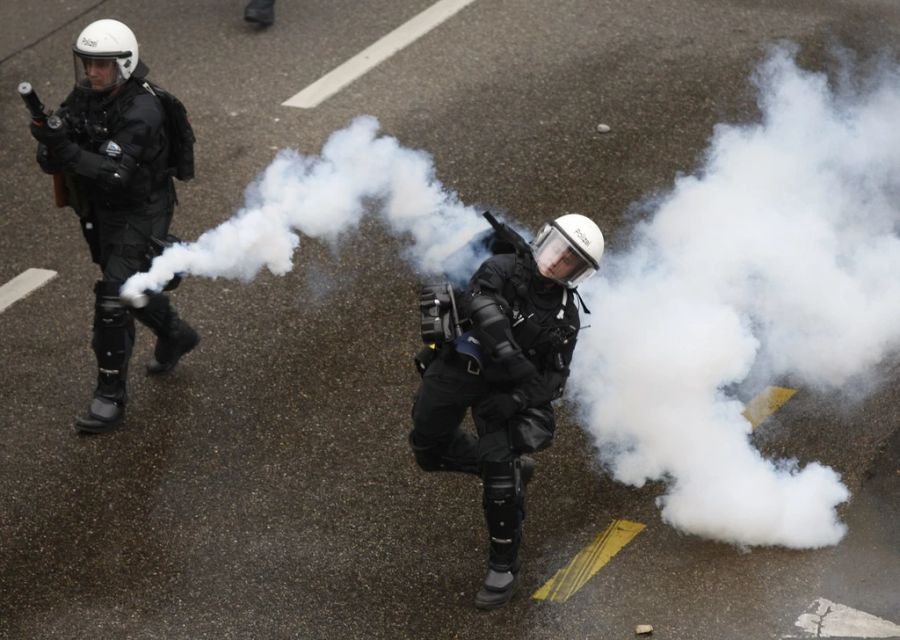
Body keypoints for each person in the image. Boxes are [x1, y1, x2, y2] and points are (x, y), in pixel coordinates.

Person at [409, 213, 604, 609]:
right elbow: (480, 303)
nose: (557, 261)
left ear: (579, 272)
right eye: (557, 250)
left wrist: (515, 401)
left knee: (500, 480)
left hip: (501, 394)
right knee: (427, 450)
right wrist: (509, 354)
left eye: (571, 261)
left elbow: (553, 379)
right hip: (460, 367)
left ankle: (503, 566)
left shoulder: (565, 317)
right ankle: (501, 467)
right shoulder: (503, 265)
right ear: (544, 238)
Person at [29, 19, 199, 433]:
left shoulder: (144, 109)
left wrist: (66, 151)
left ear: (124, 64)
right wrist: (50, 143)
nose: (91, 72)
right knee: (126, 285)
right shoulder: (86, 94)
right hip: (103, 211)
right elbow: (57, 151)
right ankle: (175, 334)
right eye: (87, 63)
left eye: (101, 65)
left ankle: (109, 397)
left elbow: (116, 173)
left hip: (143, 208)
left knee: (111, 298)